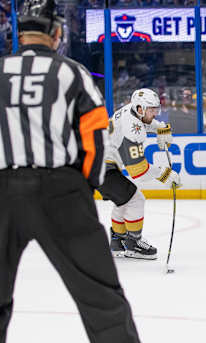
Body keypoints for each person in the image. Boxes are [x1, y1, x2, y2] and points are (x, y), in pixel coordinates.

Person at [0, 0, 141, 342]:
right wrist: (83, 188)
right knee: (101, 299)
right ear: (56, 33)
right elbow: (95, 138)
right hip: (60, 191)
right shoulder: (72, 72)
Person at [98, 88, 180, 259]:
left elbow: (147, 122)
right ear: (140, 108)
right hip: (100, 167)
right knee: (136, 199)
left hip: (97, 163)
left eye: (156, 110)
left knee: (123, 201)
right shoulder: (133, 130)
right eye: (151, 110)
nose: (154, 113)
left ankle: (117, 242)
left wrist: (162, 128)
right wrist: (164, 174)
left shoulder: (131, 111)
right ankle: (133, 243)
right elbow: (138, 171)